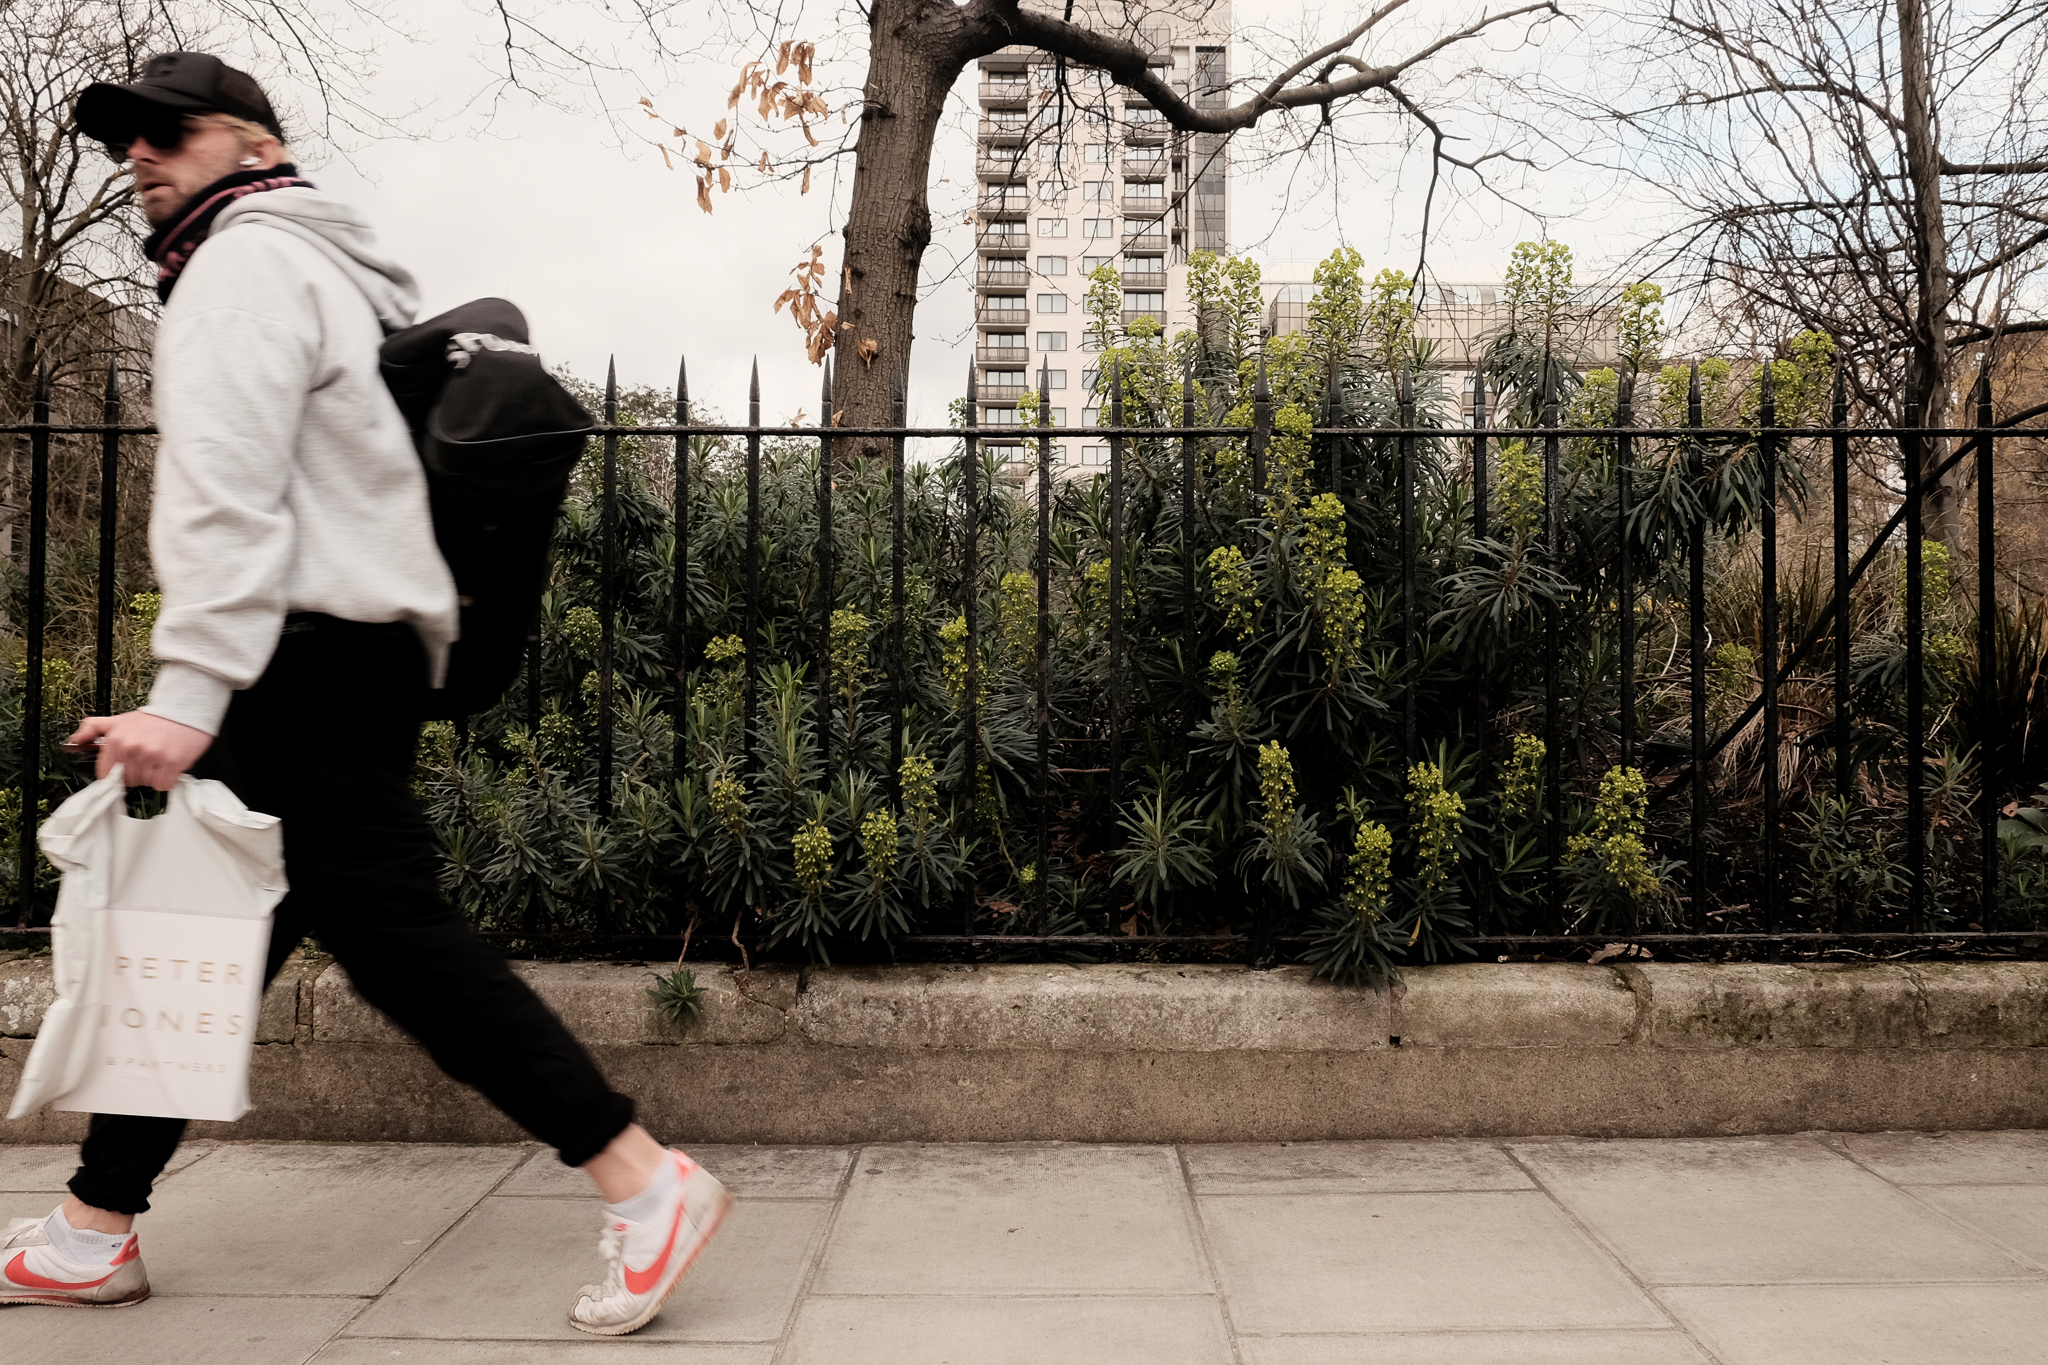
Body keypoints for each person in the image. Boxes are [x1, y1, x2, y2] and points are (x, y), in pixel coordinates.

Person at [0, 52, 729, 1336]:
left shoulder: (241, 265)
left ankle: (640, 1177)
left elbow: (227, 495)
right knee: (215, 931)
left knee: (392, 938)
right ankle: (93, 1225)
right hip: (350, 650)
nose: (142, 159)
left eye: (168, 135)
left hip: (302, 653)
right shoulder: (336, 262)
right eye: (130, 143)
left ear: (247, 143)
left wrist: (188, 689)